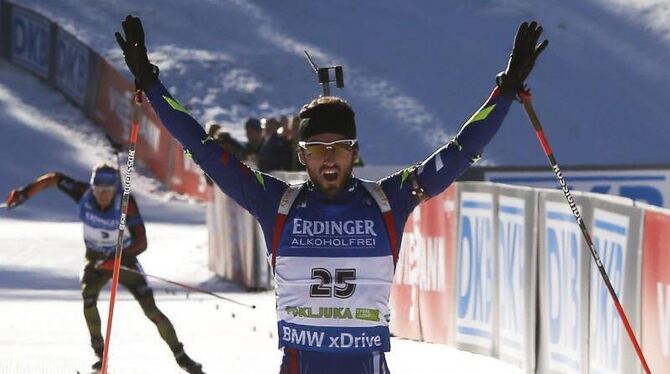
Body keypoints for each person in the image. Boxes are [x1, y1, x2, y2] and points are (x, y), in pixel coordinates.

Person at [115, 15, 547, 374]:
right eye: (317, 150)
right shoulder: (276, 202)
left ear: (355, 153)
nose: (329, 159)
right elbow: (206, 152)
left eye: (338, 148)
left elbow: (459, 152)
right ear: (301, 156)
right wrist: (153, 88)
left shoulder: (389, 200)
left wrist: (505, 92)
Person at [4, 164, 204, 374]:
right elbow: (54, 178)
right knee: (88, 297)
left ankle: (181, 357)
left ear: (116, 189)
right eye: (99, 191)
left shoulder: (126, 203)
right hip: (95, 261)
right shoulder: (83, 194)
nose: (103, 196)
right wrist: (25, 192)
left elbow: (141, 242)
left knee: (150, 309)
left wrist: (117, 259)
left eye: (108, 191)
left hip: (123, 260)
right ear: (92, 188)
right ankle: (100, 354)